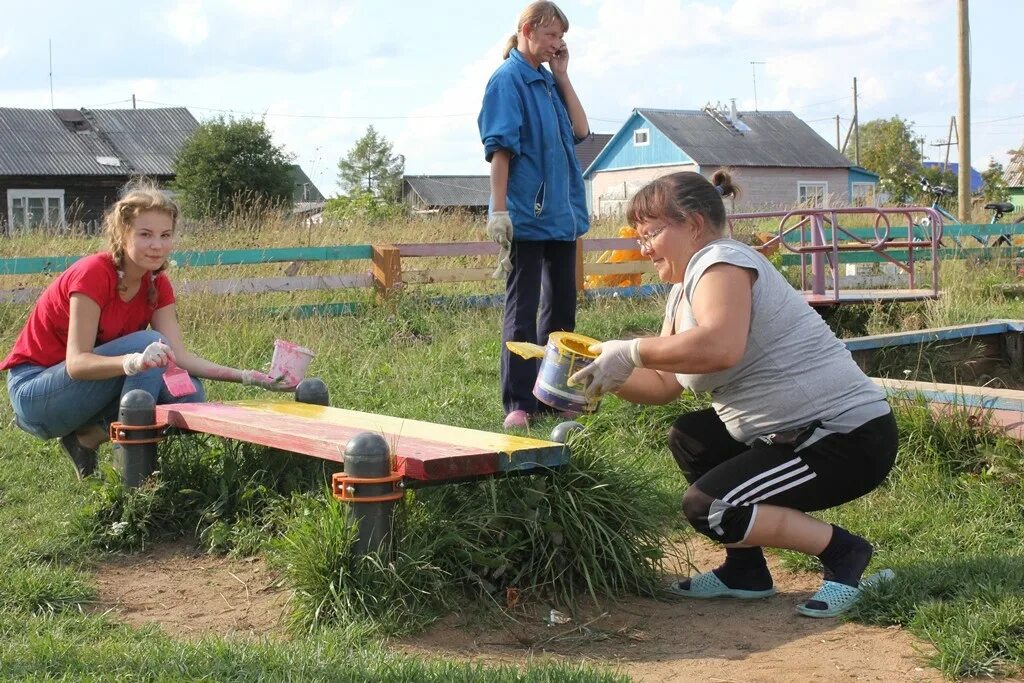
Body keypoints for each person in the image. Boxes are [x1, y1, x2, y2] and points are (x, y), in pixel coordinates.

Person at [570, 171, 899, 617]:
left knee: (710, 507)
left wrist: (630, 350)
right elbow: (666, 384)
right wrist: (601, 375)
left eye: (650, 234)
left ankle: (845, 555)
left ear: (693, 223)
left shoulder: (721, 261)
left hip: (843, 439)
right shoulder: (683, 290)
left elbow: (720, 346)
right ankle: (745, 572)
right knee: (691, 435)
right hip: (794, 435)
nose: (643, 247)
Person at [2, 182, 294, 480]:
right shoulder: (93, 273)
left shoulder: (157, 284)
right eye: (145, 234)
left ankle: (86, 439)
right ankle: (132, 474)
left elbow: (179, 356)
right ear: (121, 234)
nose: (157, 245)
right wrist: (134, 362)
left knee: (189, 394)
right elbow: (77, 364)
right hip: (38, 393)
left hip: (86, 393)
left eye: (165, 235)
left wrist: (246, 376)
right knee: (151, 343)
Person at [478, 0, 590, 430]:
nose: (557, 44)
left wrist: (563, 76)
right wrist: (499, 210)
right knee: (522, 311)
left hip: (562, 216)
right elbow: (500, 151)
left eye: (561, 37)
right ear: (528, 29)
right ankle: (519, 403)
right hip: (526, 214)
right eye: (551, 36)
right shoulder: (508, 81)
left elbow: (580, 131)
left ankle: (555, 395)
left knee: (562, 310)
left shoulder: (546, 81)